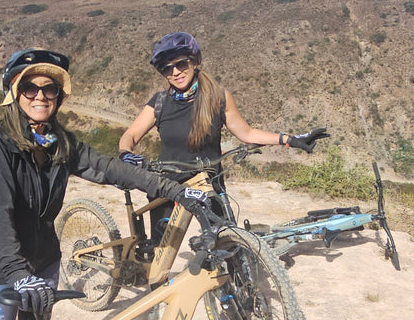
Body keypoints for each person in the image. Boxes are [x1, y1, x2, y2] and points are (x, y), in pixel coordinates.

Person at [0, 48, 212, 320]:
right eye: (30, 88)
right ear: (14, 93)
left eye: (49, 89)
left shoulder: (59, 143)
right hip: (1, 266)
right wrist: (17, 272)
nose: (40, 96)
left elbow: (112, 170)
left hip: (44, 260)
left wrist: (176, 191)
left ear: (59, 97)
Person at [117, 32, 328, 239]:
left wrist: (289, 140)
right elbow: (131, 135)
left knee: (226, 242)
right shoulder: (160, 102)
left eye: (181, 64)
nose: (175, 72)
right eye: (167, 68)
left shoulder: (218, 98)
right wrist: (126, 153)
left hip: (208, 183)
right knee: (160, 251)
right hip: (167, 184)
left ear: (194, 62)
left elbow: (247, 133)